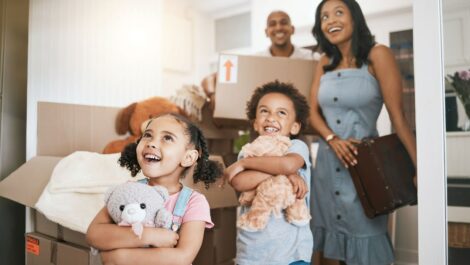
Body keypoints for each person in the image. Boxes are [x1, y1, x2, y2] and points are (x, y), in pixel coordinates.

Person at [309, 1, 417, 265]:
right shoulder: (324, 61)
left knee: (366, 240)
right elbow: (311, 112)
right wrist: (332, 139)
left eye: (338, 12)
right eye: (324, 16)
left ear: (354, 18)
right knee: (328, 246)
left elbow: (398, 118)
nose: (330, 20)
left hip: (364, 166)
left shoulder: (378, 54)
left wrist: (419, 167)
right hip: (326, 164)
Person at [86, 113, 222, 265]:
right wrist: (149, 235)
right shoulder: (129, 190)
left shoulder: (194, 202)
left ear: (188, 158)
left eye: (167, 138)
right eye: (148, 135)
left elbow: (183, 257)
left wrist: (120, 258)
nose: (151, 143)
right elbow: (94, 234)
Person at [224, 80, 313, 265]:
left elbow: (289, 164)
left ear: (295, 126)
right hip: (252, 252)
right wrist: (282, 172)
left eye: (281, 113)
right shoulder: (249, 150)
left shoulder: (297, 147)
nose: (271, 117)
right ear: (255, 123)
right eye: (264, 111)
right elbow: (240, 182)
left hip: (293, 253)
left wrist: (247, 164)